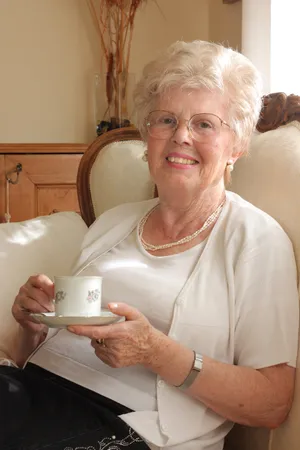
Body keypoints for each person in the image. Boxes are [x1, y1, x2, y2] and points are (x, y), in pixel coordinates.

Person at [0, 40, 299, 450]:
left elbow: (273, 403)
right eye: (166, 120)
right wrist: (32, 327)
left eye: (205, 124)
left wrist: (158, 352)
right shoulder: (113, 222)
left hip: (126, 427)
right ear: (148, 138)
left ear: (238, 146)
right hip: (32, 394)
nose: (181, 137)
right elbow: (42, 351)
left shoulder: (256, 240)